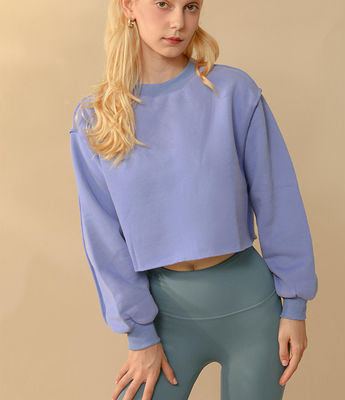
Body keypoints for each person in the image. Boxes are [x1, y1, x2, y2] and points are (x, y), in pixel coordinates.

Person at [68, 0, 318, 399]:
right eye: (163, 4)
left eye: (191, 6)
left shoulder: (233, 92)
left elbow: (278, 199)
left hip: (252, 309)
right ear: (129, 6)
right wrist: (140, 335)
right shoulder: (95, 119)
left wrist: (295, 305)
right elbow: (103, 237)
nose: (178, 22)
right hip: (165, 316)